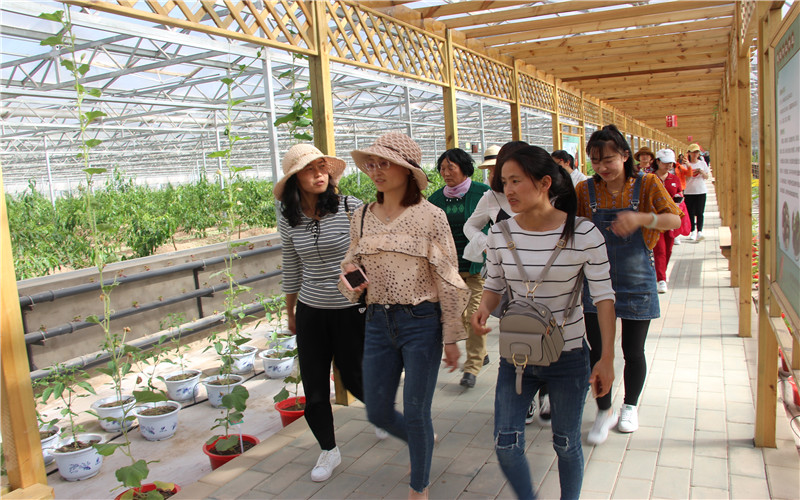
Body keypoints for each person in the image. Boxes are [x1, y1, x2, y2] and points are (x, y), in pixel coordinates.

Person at [470, 145, 616, 500]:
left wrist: (607, 358)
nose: (508, 190)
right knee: (506, 443)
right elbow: (494, 285)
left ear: (545, 183)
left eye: (517, 181)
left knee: (566, 443)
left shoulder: (583, 233)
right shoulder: (500, 233)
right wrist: (484, 308)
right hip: (517, 356)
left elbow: (604, 298)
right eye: (504, 182)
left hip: (569, 356)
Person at [340, 132, 470, 500]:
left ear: (408, 170)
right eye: (372, 164)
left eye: (385, 163)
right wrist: (350, 279)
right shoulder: (361, 216)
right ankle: (421, 440)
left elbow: (447, 276)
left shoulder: (431, 216)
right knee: (378, 412)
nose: (376, 171)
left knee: (416, 410)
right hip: (376, 322)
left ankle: (419, 487)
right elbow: (350, 262)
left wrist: (451, 336)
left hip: (421, 322)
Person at [577, 125, 682, 445]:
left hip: (636, 277)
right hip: (597, 279)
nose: (602, 167)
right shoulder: (585, 190)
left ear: (625, 155)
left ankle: (630, 406)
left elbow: (674, 219)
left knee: (633, 350)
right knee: (598, 349)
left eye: (608, 159)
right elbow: (575, 228)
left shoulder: (647, 184)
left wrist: (642, 218)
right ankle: (603, 410)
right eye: (595, 161)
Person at [274, 144, 369, 482]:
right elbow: (291, 264)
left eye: (322, 168)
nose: (319, 175)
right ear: (294, 179)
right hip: (311, 310)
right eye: (309, 169)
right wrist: (290, 312)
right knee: (314, 387)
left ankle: (388, 416)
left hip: (350, 308)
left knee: (356, 377)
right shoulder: (289, 216)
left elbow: (371, 252)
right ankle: (328, 449)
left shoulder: (350, 206)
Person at [464, 142, 550, 425]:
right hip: (509, 279)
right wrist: (487, 244)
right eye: (494, 170)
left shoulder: (541, 193)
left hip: (543, 277)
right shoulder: (491, 198)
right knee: (517, 335)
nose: (495, 175)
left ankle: (546, 391)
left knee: (545, 332)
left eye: (499, 168)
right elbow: (470, 225)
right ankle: (525, 397)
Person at [428, 149, 491, 389]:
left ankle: (472, 367)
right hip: (449, 271)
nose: (445, 173)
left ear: (464, 168)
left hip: (475, 267)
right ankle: (481, 352)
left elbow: (498, 223)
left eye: (450, 167)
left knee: (474, 315)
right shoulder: (435, 199)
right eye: (442, 169)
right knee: (458, 317)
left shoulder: (482, 193)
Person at [652, 149, 683, 293]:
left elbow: (680, 193)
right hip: (655, 220)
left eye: (671, 163)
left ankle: (661, 273)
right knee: (660, 249)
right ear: (657, 161)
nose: (668, 165)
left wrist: (679, 198)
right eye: (665, 162)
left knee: (669, 249)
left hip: (671, 219)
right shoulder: (650, 179)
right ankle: (661, 279)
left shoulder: (674, 179)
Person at [684, 143, 710, 241]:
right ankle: (692, 231)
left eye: (697, 152)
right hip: (689, 191)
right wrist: (691, 173)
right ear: (689, 153)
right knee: (690, 212)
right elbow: (684, 179)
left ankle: (700, 231)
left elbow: (706, 177)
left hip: (701, 191)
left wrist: (701, 172)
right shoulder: (685, 165)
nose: (695, 154)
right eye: (693, 152)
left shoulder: (702, 163)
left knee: (700, 212)